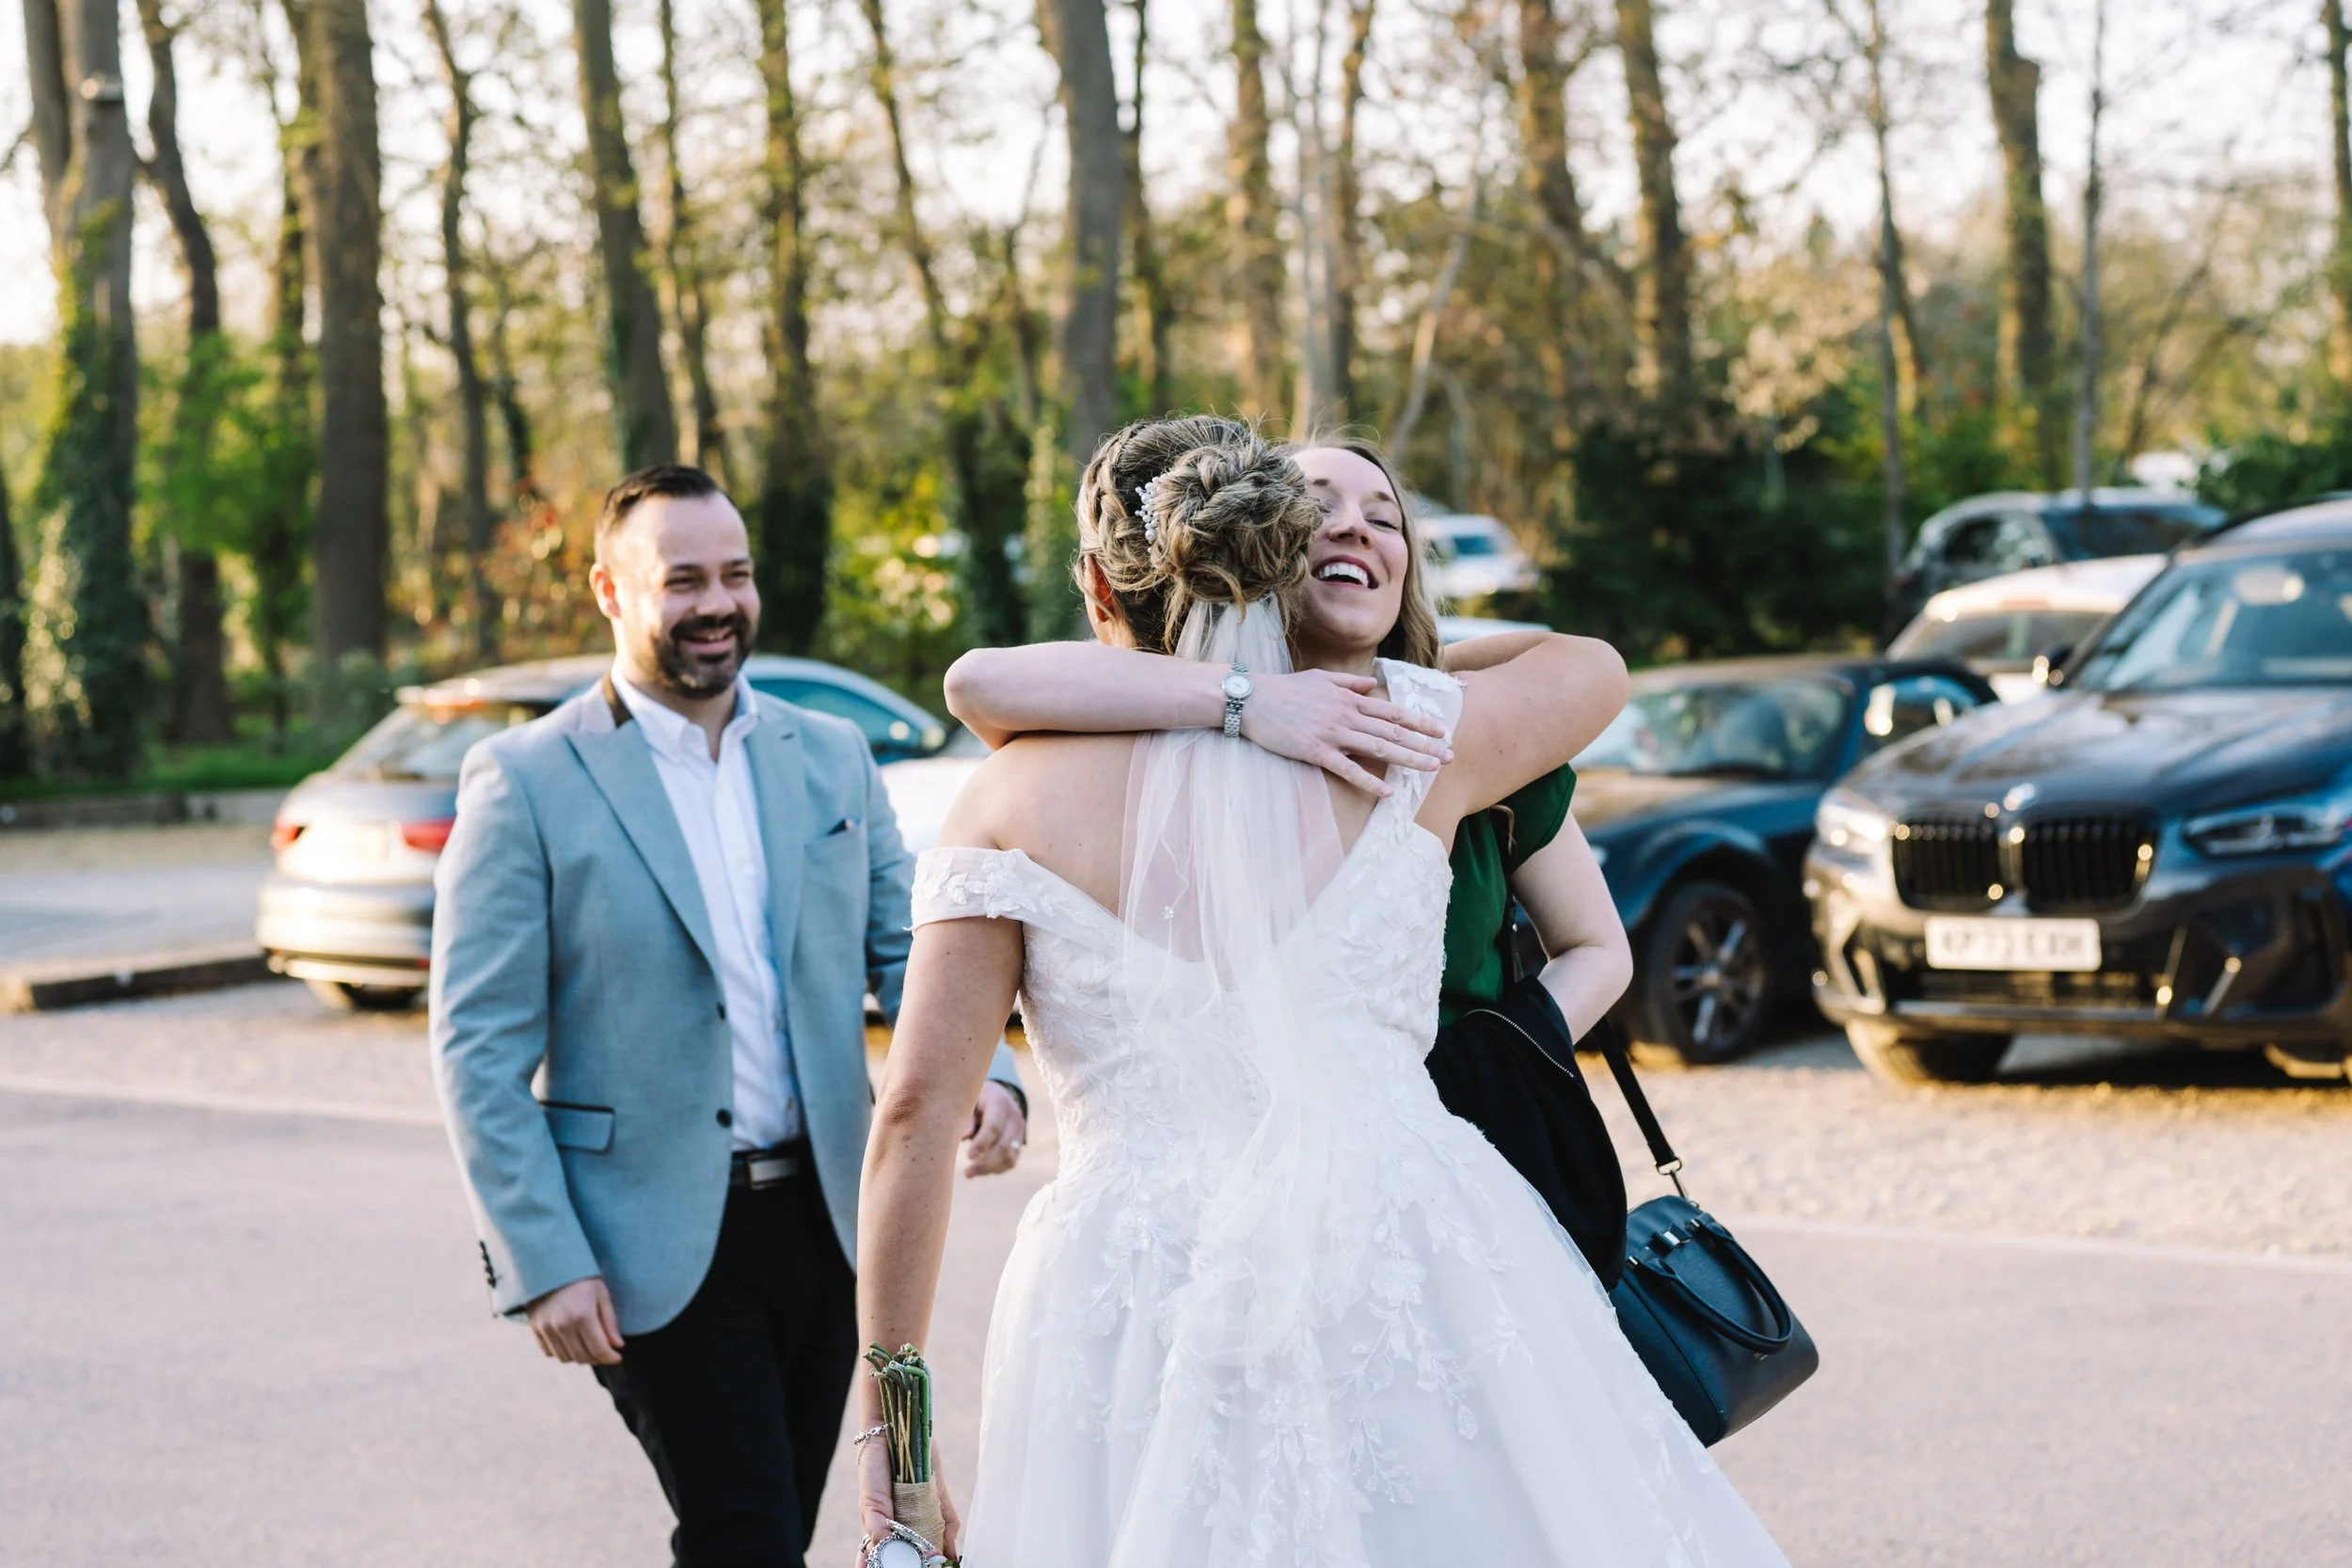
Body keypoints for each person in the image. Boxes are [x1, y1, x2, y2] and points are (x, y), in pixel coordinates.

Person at [853, 419, 1787, 1565]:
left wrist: (895, 1435)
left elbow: (913, 1115)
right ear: (1278, 560)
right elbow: (1588, 664)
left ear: (1096, 585)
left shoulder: (1002, 799)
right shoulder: (1411, 736)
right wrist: (1270, 691)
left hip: (1125, 1283)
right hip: (1401, 1242)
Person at [429, 464, 1029, 1568]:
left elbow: (906, 947)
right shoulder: (523, 778)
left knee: (784, 1518)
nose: (718, 603)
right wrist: (542, 1255)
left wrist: (986, 1069)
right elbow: (476, 1049)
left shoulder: (829, 753)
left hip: (836, 1220)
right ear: (610, 591)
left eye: (736, 575)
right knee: (743, 1532)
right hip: (651, 1245)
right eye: (684, 580)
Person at [942, 431, 1630, 1059]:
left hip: (1459, 1125)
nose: (1354, 526)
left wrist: (1497, 1063)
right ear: (1255, 548)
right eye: (1316, 509)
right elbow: (977, 682)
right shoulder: (1201, 737)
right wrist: (1251, 698)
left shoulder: (1466, 734)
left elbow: (1596, 946)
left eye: (1384, 520)